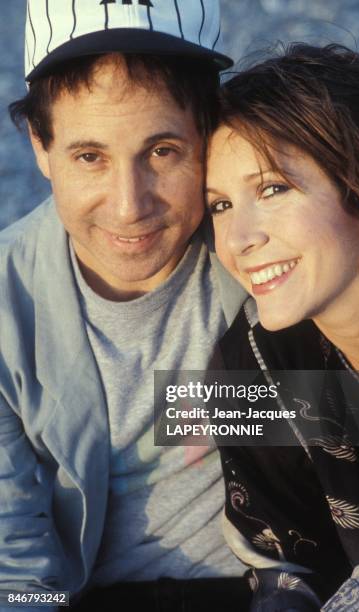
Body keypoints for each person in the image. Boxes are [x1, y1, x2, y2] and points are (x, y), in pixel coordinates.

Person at [0, 1, 251, 610]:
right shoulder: (8, 313)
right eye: (90, 157)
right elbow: (17, 577)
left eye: (162, 151)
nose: (128, 205)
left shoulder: (267, 251)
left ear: (210, 133)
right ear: (40, 145)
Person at [206, 44, 359, 611]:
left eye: (272, 189)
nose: (240, 240)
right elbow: (286, 569)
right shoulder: (255, 365)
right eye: (218, 205)